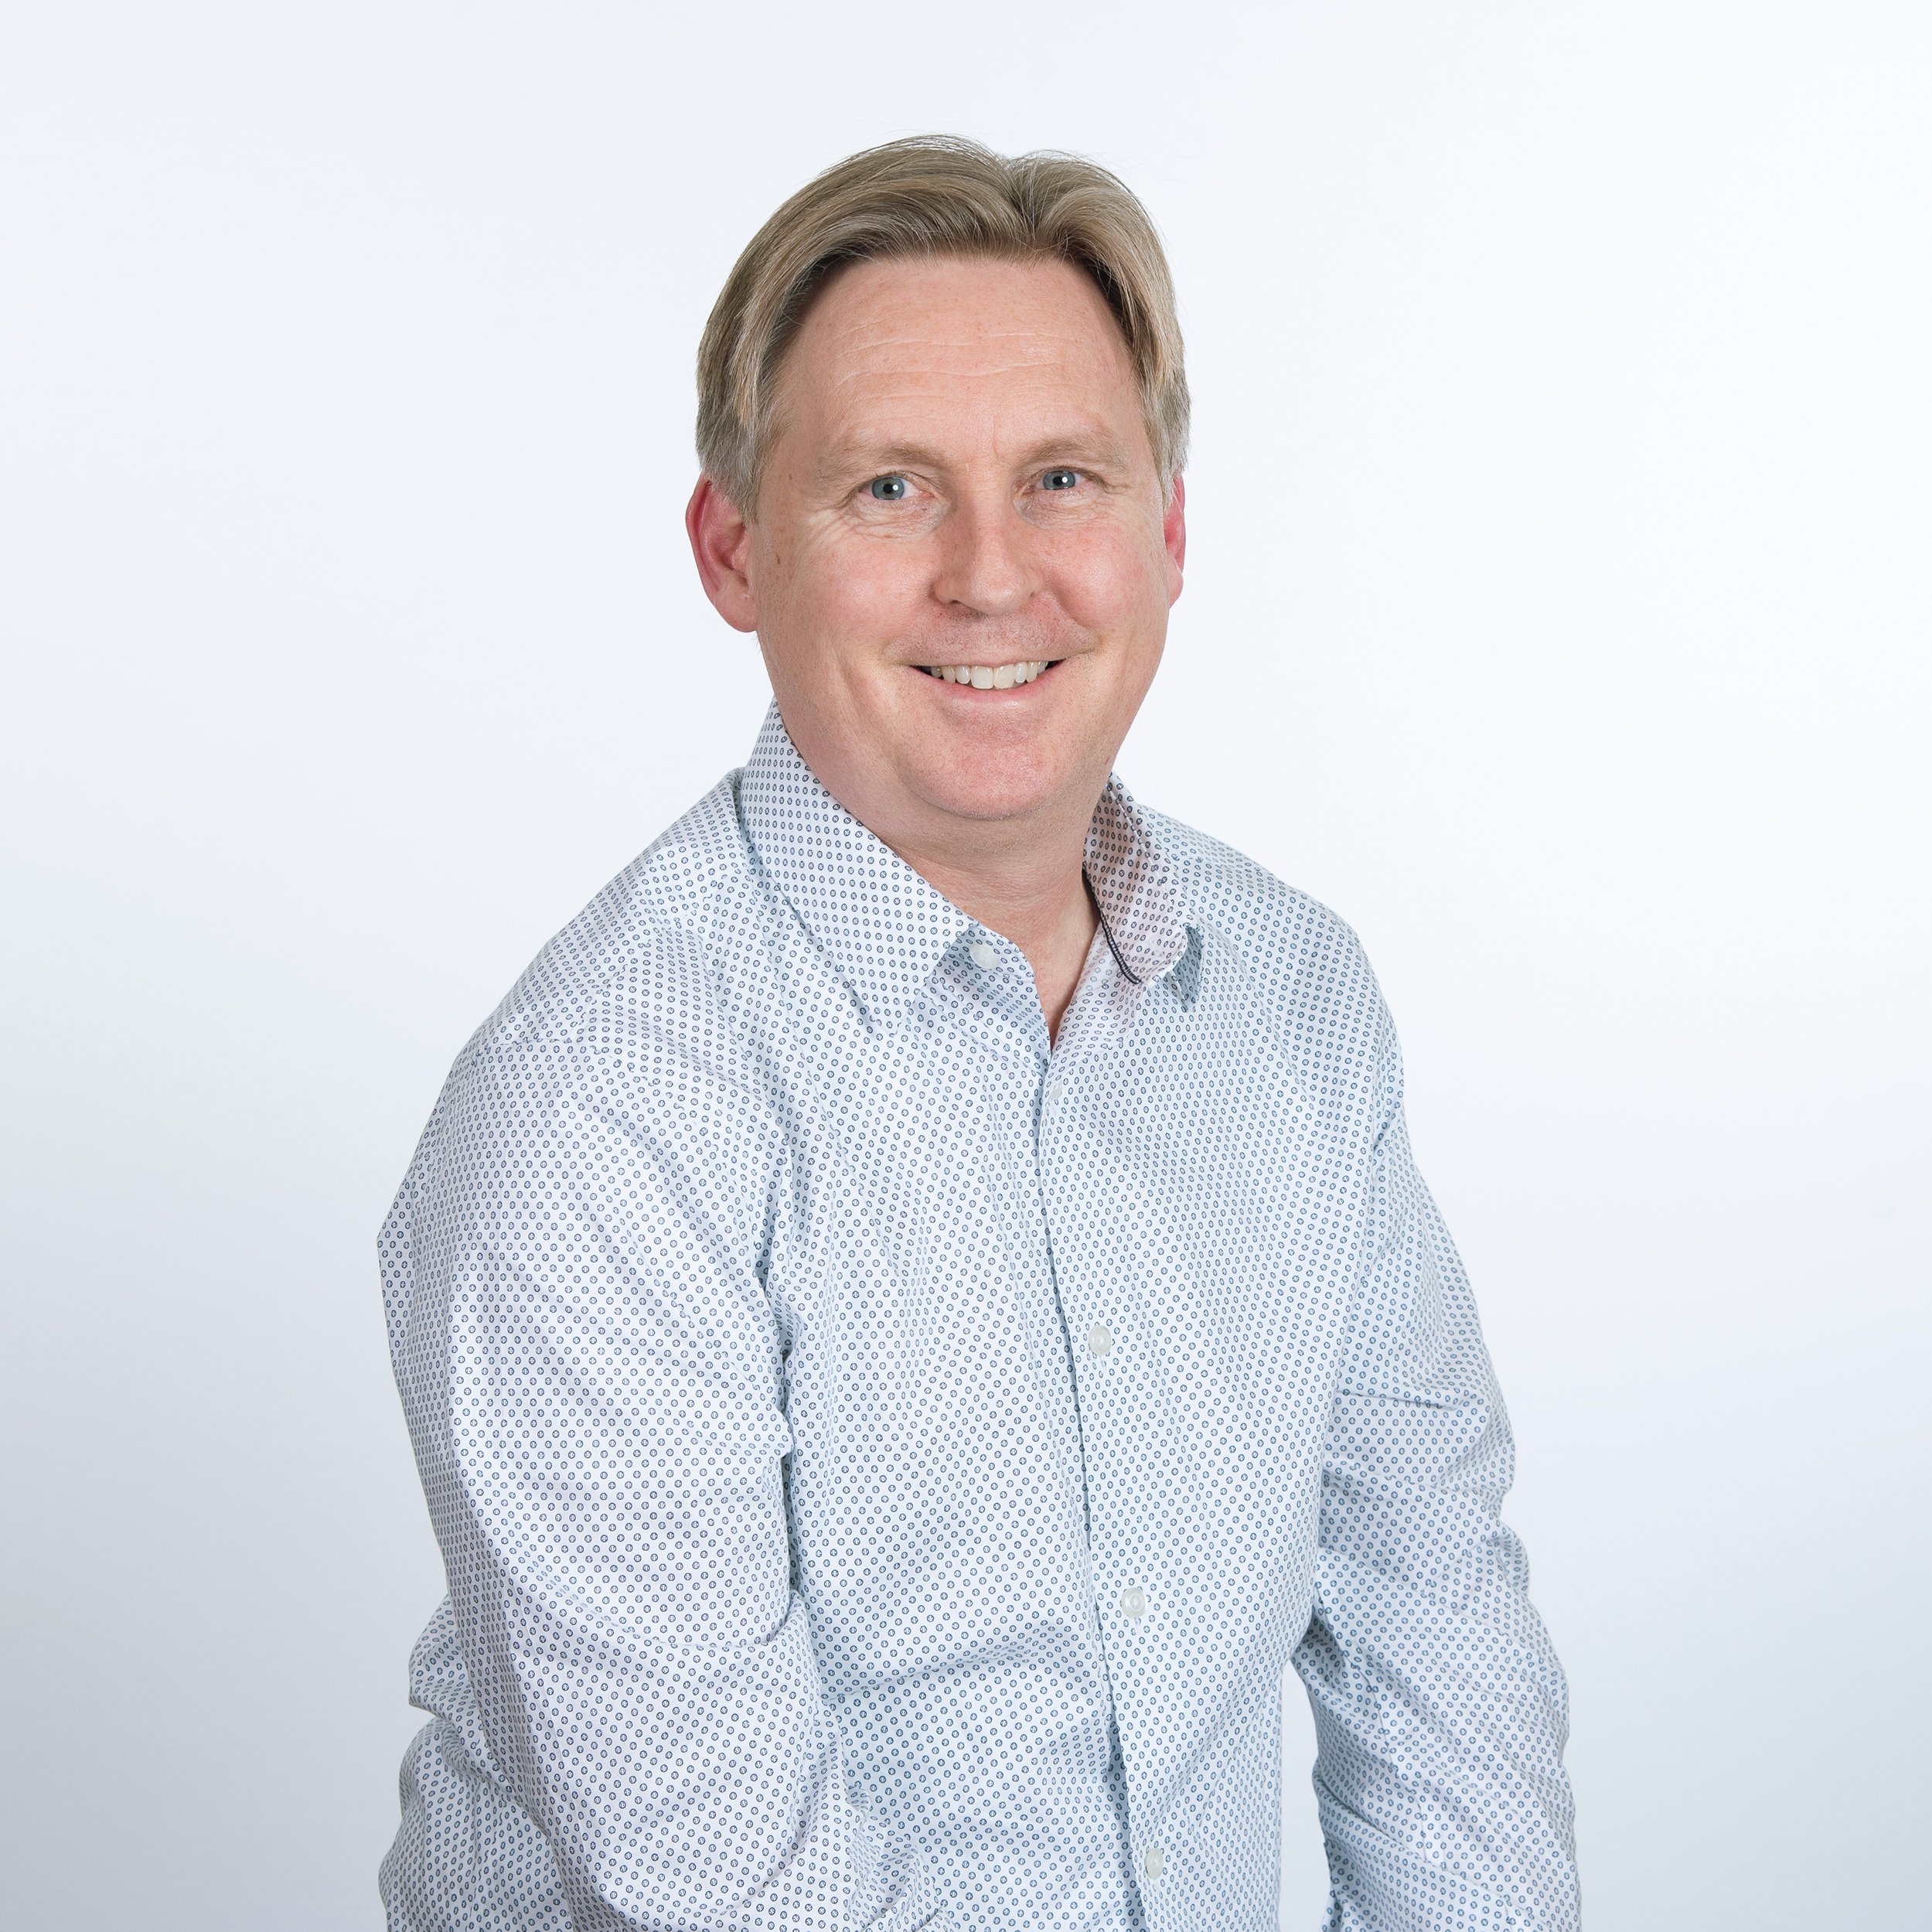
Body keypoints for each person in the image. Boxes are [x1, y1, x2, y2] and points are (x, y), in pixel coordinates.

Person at [377, 135, 1578, 1932]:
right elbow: (726, 1884)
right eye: (886, 489)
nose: (990, 574)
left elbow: (1437, 1660)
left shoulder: (1295, 1006)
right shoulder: (607, 1109)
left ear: (1167, 535)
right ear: (731, 548)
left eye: (1064, 478)